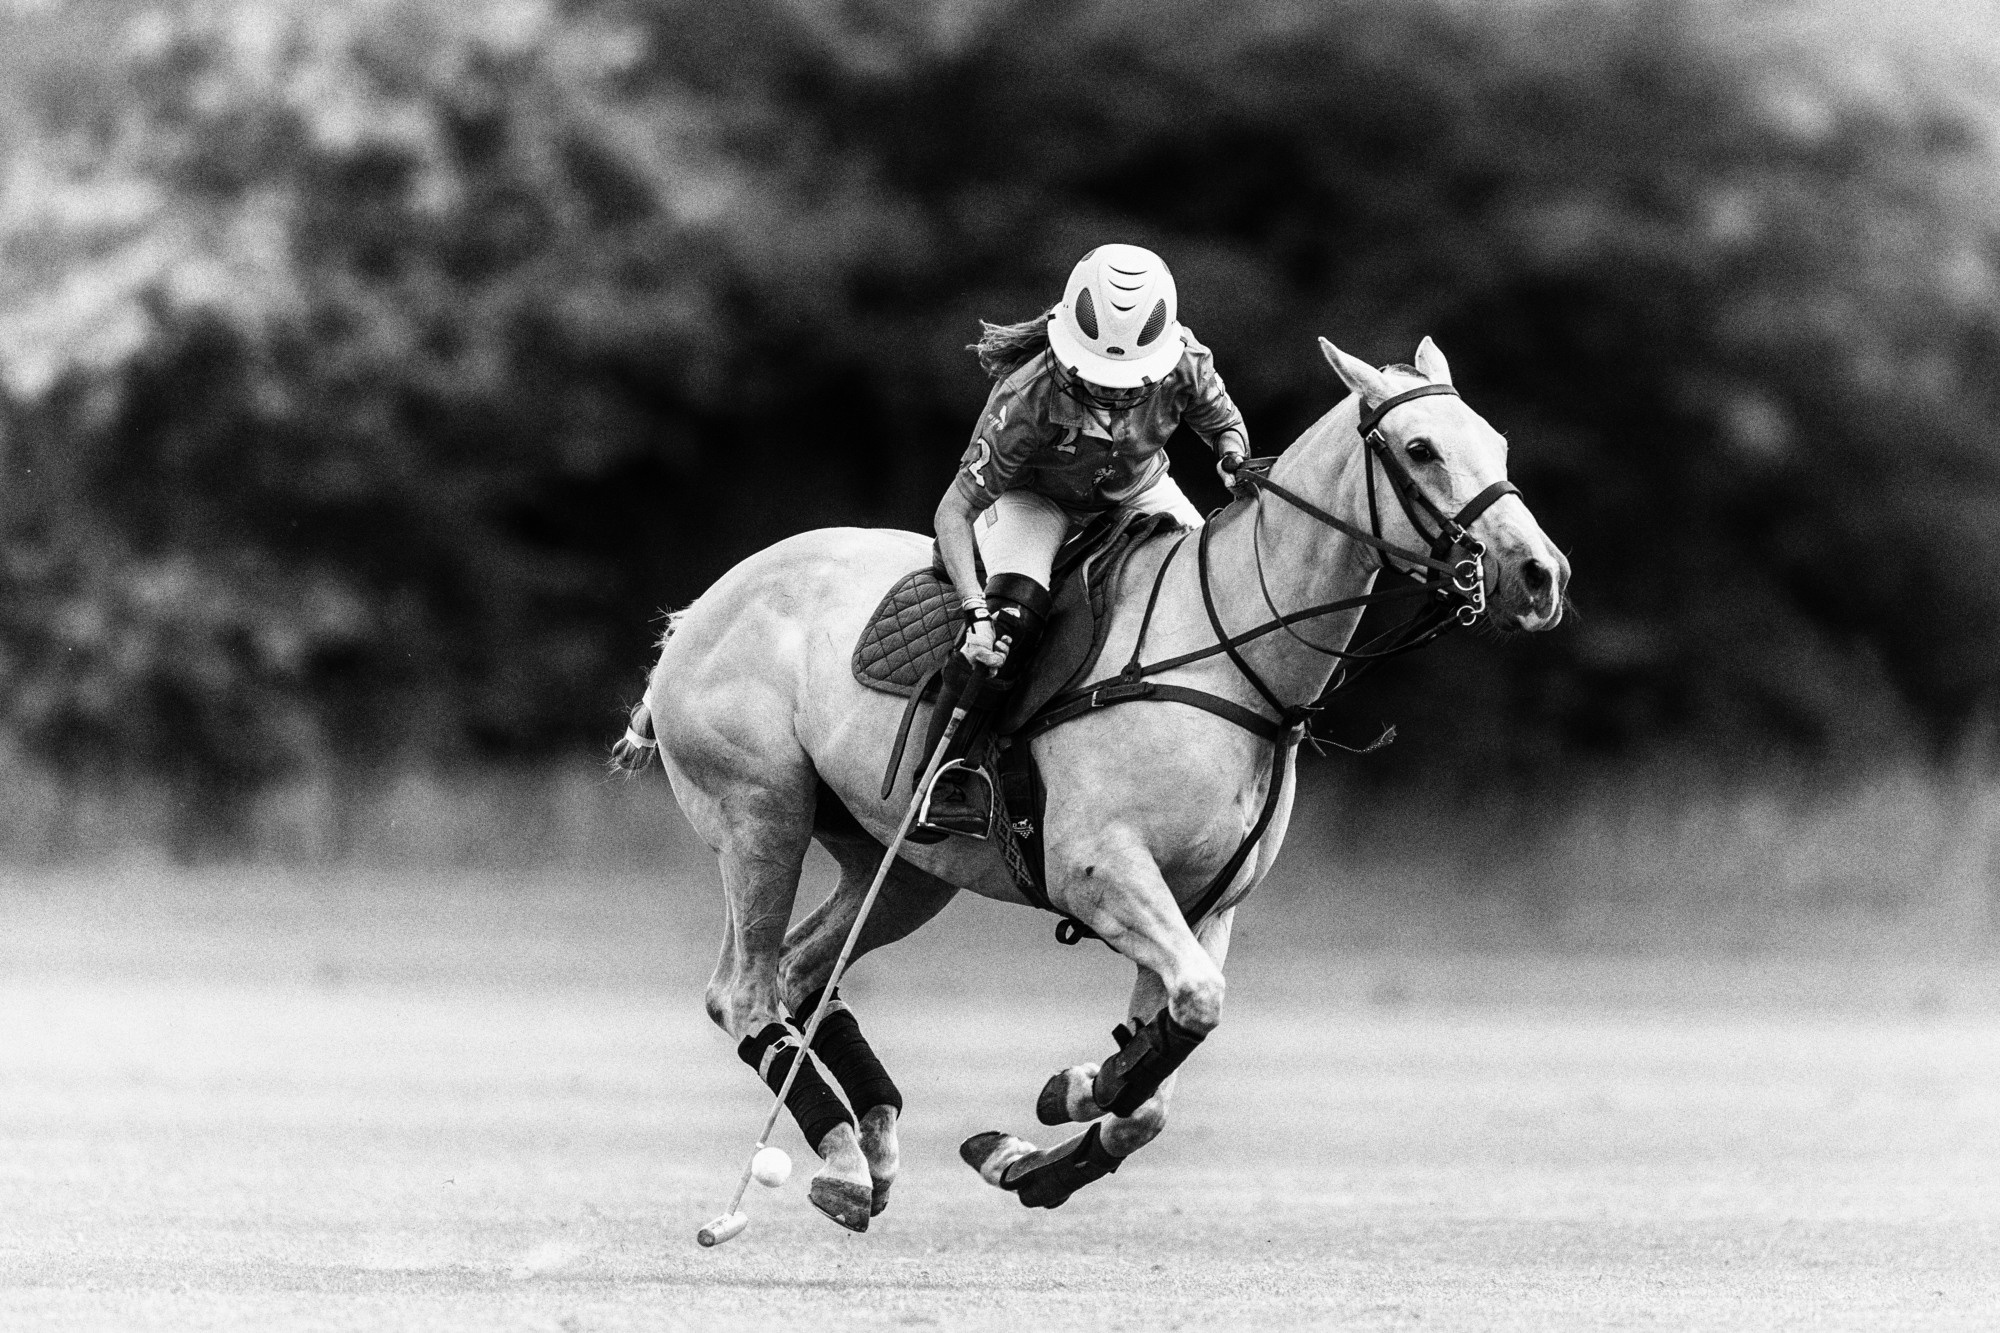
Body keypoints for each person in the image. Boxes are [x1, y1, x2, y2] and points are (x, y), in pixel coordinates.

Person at [912, 243, 1252, 841]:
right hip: (1037, 499)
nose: (1114, 399)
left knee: (1224, 587)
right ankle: (947, 775)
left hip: (1141, 488)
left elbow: (1224, 424)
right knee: (1013, 619)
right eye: (1098, 381)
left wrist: (1230, 457)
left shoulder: (1186, 360)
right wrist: (976, 611)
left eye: (1130, 386)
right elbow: (954, 510)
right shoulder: (1026, 395)